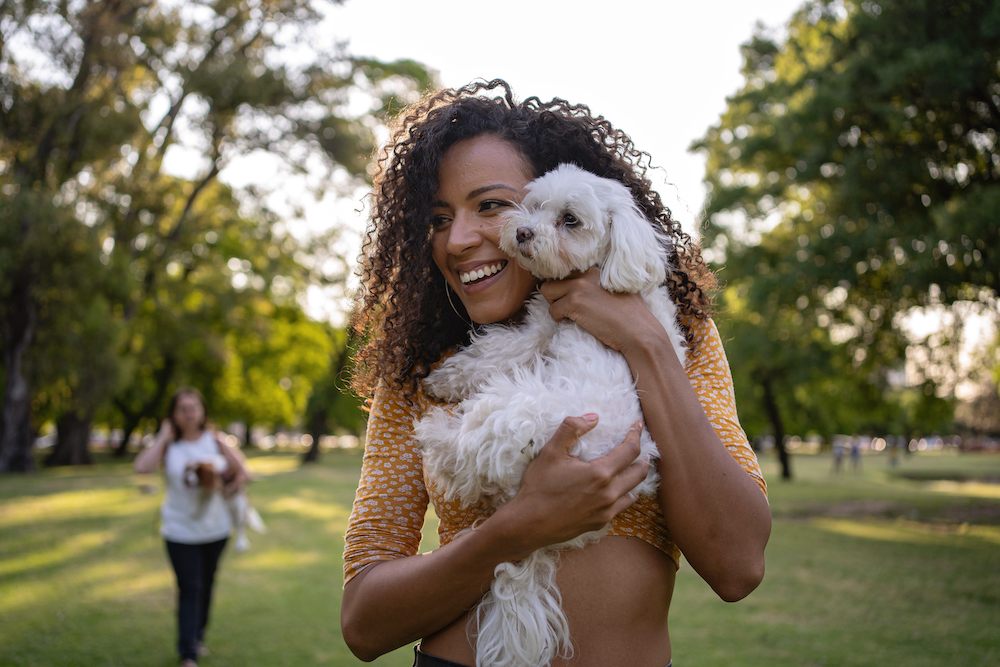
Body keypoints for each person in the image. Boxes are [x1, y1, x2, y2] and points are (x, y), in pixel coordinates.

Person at [341, 79, 772, 667]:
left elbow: (739, 565)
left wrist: (644, 344)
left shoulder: (679, 339)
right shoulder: (423, 371)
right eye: (439, 219)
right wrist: (514, 530)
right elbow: (364, 624)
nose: (459, 239)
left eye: (491, 205)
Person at [134, 388, 252, 667]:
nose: (189, 413)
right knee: (190, 587)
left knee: (207, 585)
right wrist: (163, 435)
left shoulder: (215, 440)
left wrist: (232, 487)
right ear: (173, 414)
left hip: (216, 529)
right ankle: (188, 654)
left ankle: (197, 637)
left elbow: (244, 471)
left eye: (194, 407)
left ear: (202, 411)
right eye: (183, 408)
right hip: (179, 529)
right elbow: (142, 468)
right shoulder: (169, 444)